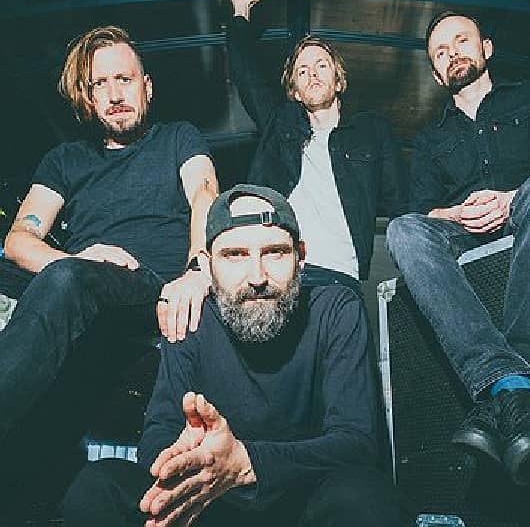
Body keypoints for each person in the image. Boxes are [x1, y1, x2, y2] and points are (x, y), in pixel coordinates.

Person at [62, 184, 412, 527]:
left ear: (300, 257)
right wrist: (185, 456)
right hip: (212, 501)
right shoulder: (191, 314)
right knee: (97, 489)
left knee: (367, 498)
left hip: (301, 497)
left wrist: (246, 461)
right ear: (207, 264)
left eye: (275, 252)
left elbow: (357, 442)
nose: (257, 277)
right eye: (235, 255)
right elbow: (158, 436)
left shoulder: (335, 309)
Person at [386, 11, 530, 486]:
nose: (452, 53)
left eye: (461, 41)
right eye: (441, 52)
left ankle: (504, 394)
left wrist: (511, 199)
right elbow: (423, 210)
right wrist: (457, 213)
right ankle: (516, 391)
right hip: (471, 233)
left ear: (486, 48)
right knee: (403, 230)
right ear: (436, 74)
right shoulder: (431, 138)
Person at [0, 25, 217, 450]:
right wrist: (76, 260)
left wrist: (198, 268)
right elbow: (19, 239)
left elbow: (204, 193)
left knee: (67, 279)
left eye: (124, 79)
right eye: (100, 83)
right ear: (88, 96)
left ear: (146, 87)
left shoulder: (178, 138)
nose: (115, 94)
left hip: (146, 284)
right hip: (79, 280)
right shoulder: (65, 160)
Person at [227, 0, 408, 294]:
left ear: (338, 82)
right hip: (280, 275)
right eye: (302, 71)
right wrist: (240, 13)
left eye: (321, 66)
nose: (312, 74)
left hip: (341, 274)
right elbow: (248, 77)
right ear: (295, 92)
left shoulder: (371, 131)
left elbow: (401, 201)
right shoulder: (280, 126)